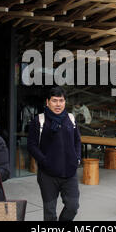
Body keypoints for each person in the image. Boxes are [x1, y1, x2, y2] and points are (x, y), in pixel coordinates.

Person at [27, 86, 81, 221]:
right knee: (50, 213)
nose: (58, 104)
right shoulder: (39, 121)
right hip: (48, 175)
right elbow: (31, 145)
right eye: (54, 100)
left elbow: (77, 140)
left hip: (69, 173)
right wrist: (45, 161)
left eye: (61, 100)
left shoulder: (70, 119)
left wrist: (77, 158)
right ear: (47, 102)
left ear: (65, 102)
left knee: (72, 206)